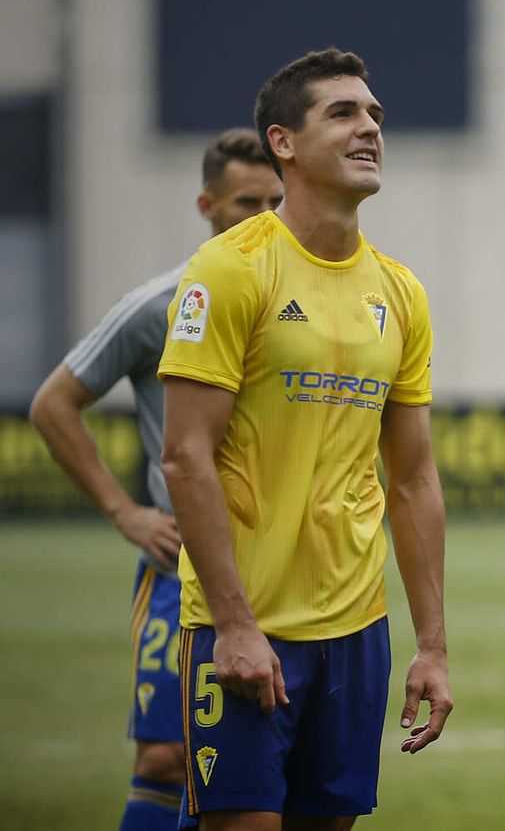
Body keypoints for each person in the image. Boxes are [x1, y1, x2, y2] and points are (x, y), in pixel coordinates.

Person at [158, 48, 452, 829]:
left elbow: (415, 480)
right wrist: (233, 624)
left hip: (357, 635)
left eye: (376, 116)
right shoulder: (226, 271)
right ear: (283, 142)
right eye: (345, 113)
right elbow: (185, 456)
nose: (370, 129)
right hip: (249, 627)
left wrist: (432, 645)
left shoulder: (401, 292)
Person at [29, 128, 282, 831]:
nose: (263, 217)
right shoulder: (164, 305)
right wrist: (124, 511)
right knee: (169, 755)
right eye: (245, 202)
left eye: (275, 200)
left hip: (283, 570)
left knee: (265, 771)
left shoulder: (306, 302)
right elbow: (54, 405)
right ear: (206, 204)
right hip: (185, 567)